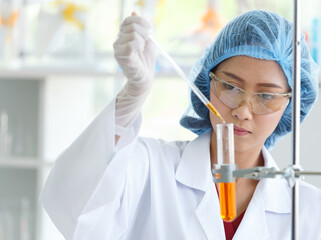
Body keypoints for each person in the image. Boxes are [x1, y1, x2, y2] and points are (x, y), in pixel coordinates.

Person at [40, 10, 321, 240]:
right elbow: (72, 206)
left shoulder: (308, 210)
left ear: (291, 103)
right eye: (230, 86)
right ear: (207, 84)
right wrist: (130, 98)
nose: (243, 111)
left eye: (266, 96)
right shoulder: (151, 168)